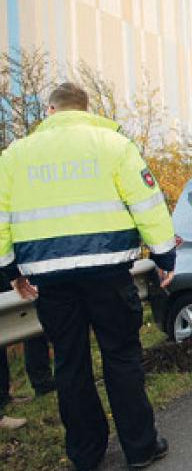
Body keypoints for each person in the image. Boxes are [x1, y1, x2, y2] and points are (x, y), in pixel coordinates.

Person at [0, 82, 177, 469]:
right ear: (86, 108)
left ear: (50, 110)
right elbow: (147, 202)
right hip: (108, 272)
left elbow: (1, 218)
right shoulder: (114, 145)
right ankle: (140, 448)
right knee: (122, 356)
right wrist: (164, 254)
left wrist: (11, 271)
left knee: (70, 363)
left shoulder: (15, 155)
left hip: (50, 278)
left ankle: (85, 453)